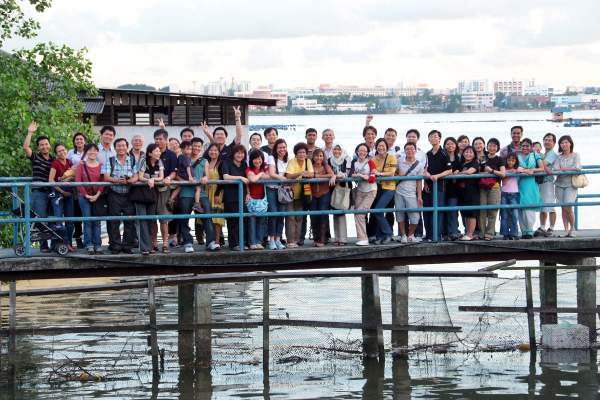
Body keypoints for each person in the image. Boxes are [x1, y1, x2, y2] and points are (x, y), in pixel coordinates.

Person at [179, 143, 218, 253]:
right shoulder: (183, 158)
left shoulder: (204, 161)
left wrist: (205, 177)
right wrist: (185, 181)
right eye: (194, 146)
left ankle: (210, 242)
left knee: (207, 216)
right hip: (186, 192)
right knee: (184, 219)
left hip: (201, 193)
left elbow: (207, 175)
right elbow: (177, 174)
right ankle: (187, 242)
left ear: (201, 148)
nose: (196, 148)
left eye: (198, 146)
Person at [102, 137, 138, 254]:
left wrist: (129, 180)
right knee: (114, 221)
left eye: (123, 145)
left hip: (129, 194)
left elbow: (137, 176)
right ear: (115, 148)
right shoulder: (110, 160)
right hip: (114, 194)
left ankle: (127, 245)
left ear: (127, 147)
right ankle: (115, 246)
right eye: (118, 146)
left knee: (129, 220)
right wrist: (117, 180)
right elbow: (106, 177)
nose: (121, 148)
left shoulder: (132, 160)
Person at [23, 121, 54, 252]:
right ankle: (43, 246)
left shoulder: (54, 160)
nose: (44, 146)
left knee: (53, 219)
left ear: (50, 146)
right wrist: (30, 133)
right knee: (41, 220)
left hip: (52, 193)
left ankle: (55, 244)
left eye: (46, 144)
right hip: (39, 193)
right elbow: (25, 147)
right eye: (41, 145)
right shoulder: (36, 157)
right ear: (38, 147)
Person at [423, 130, 452, 241]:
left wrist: (437, 176)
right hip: (428, 187)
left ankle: (437, 235)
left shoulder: (444, 153)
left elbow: (449, 170)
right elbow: (424, 169)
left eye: (436, 136)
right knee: (427, 211)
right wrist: (425, 182)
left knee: (438, 211)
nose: (433, 138)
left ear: (439, 139)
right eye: (431, 137)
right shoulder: (428, 154)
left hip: (439, 186)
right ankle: (429, 235)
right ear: (429, 139)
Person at [75, 144, 104, 255]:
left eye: (94, 150)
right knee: (87, 221)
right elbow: (78, 181)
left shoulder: (101, 166)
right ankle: (89, 244)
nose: (92, 152)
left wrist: (97, 195)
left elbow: (103, 182)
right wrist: (86, 195)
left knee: (97, 222)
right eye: (90, 150)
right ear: (86, 152)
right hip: (84, 197)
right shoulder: (81, 165)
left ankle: (98, 244)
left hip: (98, 197)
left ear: (97, 152)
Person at [135, 143, 163, 255]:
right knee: (142, 221)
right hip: (140, 195)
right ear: (150, 153)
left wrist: (152, 180)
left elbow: (161, 176)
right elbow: (140, 176)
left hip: (152, 195)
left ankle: (150, 245)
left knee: (151, 220)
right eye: (156, 151)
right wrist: (149, 180)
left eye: (159, 151)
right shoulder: (143, 160)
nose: (158, 153)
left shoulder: (159, 161)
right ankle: (144, 248)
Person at [285, 142, 314, 248]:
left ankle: (297, 240)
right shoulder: (292, 161)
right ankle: (290, 241)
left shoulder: (308, 161)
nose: (302, 154)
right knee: (290, 217)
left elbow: (311, 174)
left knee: (299, 217)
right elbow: (288, 175)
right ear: (296, 153)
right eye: (299, 152)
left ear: (306, 153)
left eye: (303, 152)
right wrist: (301, 173)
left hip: (302, 194)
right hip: (290, 194)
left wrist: (302, 174)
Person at [152, 128, 177, 251]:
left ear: (166, 140)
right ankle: (154, 242)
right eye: (156, 139)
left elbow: (173, 172)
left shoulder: (171, 155)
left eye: (160, 139)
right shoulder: (150, 152)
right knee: (152, 218)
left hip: (164, 189)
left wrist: (168, 177)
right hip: (151, 190)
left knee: (163, 218)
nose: (158, 141)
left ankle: (165, 243)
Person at [395, 142, 424, 243]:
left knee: (415, 216)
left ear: (415, 150)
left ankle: (410, 235)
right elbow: (393, 172)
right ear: (404, 151)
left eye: (412, 149)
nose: (410, 151)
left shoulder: (419, 165)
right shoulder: (399, 161)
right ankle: (403, 235)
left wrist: (419, 196)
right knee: (400, 214)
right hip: (399, 191)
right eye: (407, 149)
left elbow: (419, 181)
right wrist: (398, 175)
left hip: (412, 193)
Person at [553, 135, 581, 238]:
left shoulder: (575, 155)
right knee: (563, 208)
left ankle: (572, 229)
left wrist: (563, 169)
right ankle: (565, 230)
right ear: (560, 145)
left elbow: (577, 168)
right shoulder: (558, 156)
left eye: (566, 142)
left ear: (570, 143)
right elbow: (555, 169)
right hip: (559, 184)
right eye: (562, 143)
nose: (564, 144)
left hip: (571, 184)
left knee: (568, 207)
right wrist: (567, 169)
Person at [222, 145, 249, 250]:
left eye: (242, 153)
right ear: (233, 153)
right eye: (237, 153)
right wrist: (240, 177)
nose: (240, 155)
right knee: (233, 221)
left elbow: (247, 181)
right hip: (230, 196)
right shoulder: (227, 163)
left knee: (243, 220)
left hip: (242, 196)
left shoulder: (244, 164)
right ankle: (234, 244)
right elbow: (226, 177)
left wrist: (248, 193)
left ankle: (243, 243)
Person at [48, 143, 75, 252]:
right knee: (58, 221)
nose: (62, 152)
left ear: (66, 150)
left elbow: (73, 176)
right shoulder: (55, 163)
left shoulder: (69, 162)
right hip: (58, 194)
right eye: (59, 151)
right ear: (56, 153)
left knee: (70, 221)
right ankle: (58, 244)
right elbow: (50, 180)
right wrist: (62, 191)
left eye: (63, 150)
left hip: (69, 194)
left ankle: (68, 243)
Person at [371, 138, 397, 244]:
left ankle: (388, 233)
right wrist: (376, 172)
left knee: (378, 210)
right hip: (378, 188)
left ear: (386, 147)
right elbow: (372, 171)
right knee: (378, 211)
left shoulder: (391, 157)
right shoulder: (373, 159)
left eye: (383, 146)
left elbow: (392, 172)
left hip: (389, 188)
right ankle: (380, 236)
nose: (381, 148)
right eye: (379, 146)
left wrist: (380, 173)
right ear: (376, 147)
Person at [478, 138, 505, 241]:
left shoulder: (499, 159)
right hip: (483, 186)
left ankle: (490, 233)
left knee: (493, 211)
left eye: (494, 146)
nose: (492, 148)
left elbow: (503, 174)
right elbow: (479, 171)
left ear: (497, 147)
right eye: (490, 145)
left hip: (495, 187)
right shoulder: (482, 158)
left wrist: (492, 171)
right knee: (482, 210)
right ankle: (482, 232)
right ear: (487, 146)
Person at [517, 138, 543, 239]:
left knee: (529, 208)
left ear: (531, 147)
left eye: (527, 146)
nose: (525, 148)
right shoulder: (517, 156)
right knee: (520, 208)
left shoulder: (535, 155)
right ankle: (523, 231)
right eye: (523, 146)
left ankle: (530, 231)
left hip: (531, 184)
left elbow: (542, 168)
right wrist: (520, 170)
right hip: (520, 183)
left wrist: (532, 170)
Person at [351, 143, 377, 246]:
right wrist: (359, 176)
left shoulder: (370, 162)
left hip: (371, 190)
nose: (362, 152)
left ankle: (364, 239)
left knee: (360, 213)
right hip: (360, 190)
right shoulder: (354, 162)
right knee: (356, 213)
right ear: (357, 151)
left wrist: (361, 175)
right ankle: (361, 237)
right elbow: (351, 174)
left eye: (364, 151)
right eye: (360, 150)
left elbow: (372, 178)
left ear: (367, 153)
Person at [266, 138, 288, 250]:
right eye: (280, 147)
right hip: (272, 189)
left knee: (281, 214)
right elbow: (271, 173)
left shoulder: (287, 160)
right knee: (273, 214)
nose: (282, 149)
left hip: (283, 190)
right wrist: (283, 178)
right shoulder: (271, 158)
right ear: (276, 148)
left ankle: (278, 239)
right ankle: (272, 240)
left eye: (284, 147)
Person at [309, 148, 334, 247]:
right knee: (314, 216)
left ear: (323, 157)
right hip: (313, 194)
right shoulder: (310, 166)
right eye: (316, 156)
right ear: (313, 157)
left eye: (320, 156)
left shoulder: (326, 166)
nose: (318, 158)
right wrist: (315, 175)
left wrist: (317, 176)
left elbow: (331, 174)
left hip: (324, 193)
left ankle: (323, 239)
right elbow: (307, 175)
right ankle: (316, 238)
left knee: (323, 215)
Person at [246, 149, 269, 250]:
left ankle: (259, 242)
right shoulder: (248, 169)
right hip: (252, 199)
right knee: (252, 222)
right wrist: (260, 174)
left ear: (262, 159)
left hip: (262, 199)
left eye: (259, 159)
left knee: (261, 222)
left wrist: (262, 173)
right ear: (251, 160)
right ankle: (252, 242)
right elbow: (252, 179)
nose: (257, 161)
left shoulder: (265, 168)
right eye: (255, 159)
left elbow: (269, 177)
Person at [67, 132, 87, 249]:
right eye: (77, 139)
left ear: (85, 141)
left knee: (88, 213)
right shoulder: (70, 153)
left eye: (81, 139)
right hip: (75, 187)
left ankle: (89, 239)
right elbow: (68, 167)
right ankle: (78, 238)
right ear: (74, 142)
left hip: (88, 185)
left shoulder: (89, 151)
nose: (79, 141)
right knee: (77, 212)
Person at [328, 144, 350, 246]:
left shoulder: (346, 160)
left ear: (342, 150)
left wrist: (335, 176)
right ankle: (337, 238)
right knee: (335, 213)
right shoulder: (329, 160)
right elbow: (328, 172)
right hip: (332, 189)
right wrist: (333, 176)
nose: (337, 151)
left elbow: (346, 173)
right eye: (335, 149)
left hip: (342, 189)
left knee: (341, 213)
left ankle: (343, 238)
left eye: (339, 149)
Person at [536, 133, 558, 237]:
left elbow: (543, 164)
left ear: (554, 143)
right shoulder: (544, 153)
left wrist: (537, 157)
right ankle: (542, 226)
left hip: (548, 182)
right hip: (541, 182)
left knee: (550, 206)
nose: (547, 142)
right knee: (542, 205)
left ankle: (552, 228)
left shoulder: (552, 154)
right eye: (545, 140)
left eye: (550, 140)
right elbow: (542, 165)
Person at [456, 146, 480, 241]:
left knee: (472, 213)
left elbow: (470, 172)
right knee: (465, 213)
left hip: (472, 191)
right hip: (462, 191)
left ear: (474, 154)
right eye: (466, 152)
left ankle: (470, 234)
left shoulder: (475, 163)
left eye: (470, 152)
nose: (468, 154)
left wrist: (458, 173)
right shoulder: (462, 163)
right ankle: (467, 232)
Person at [205, 143, 226, 247]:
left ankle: (217, 241)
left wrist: (217, 194)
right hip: (207, 191)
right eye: (211, 150)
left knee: (217, 218)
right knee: (209, 217)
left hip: (217, 192)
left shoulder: (221, 163)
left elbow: (222, 179)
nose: (213, 152)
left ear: (219, 152)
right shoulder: (206, 162)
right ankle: (210, 240)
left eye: (215, 150)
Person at [442, 137, 461, 241]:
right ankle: (444, 233)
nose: (450, 146)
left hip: (454, 188)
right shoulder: (443, 156)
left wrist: (458, 171)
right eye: (448, 144)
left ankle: (453, 232)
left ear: (456, 145)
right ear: (444, 145)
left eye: (452, 144)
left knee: (452, 210)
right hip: (443, 186)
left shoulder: (458, 157)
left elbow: (462, 168)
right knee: (443, 211)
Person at [500, 153, 520, 240]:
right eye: (509, 160)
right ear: (506, 160)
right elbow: (503, 179)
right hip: (504, 193)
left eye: (513, 160)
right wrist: (508, 173)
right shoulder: (503, 169)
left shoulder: (517, 168)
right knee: (504, 215)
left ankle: (514, 233)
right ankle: (505, 233)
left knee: (515, 215)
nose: (511, 162)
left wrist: (517, 171)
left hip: (514, 194)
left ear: (515, 161)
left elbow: (527, 170)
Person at [169, 140, 194, 208]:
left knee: (179, 187)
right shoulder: (185, 157)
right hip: (185, 176)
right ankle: (197, 202)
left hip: (180, 175)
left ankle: (171, 199)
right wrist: (190, 177)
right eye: (187, 149)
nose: (189, 151)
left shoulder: (180, 156)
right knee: (197, 188)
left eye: (190, 149)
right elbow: (188, 167)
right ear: (182, 149)